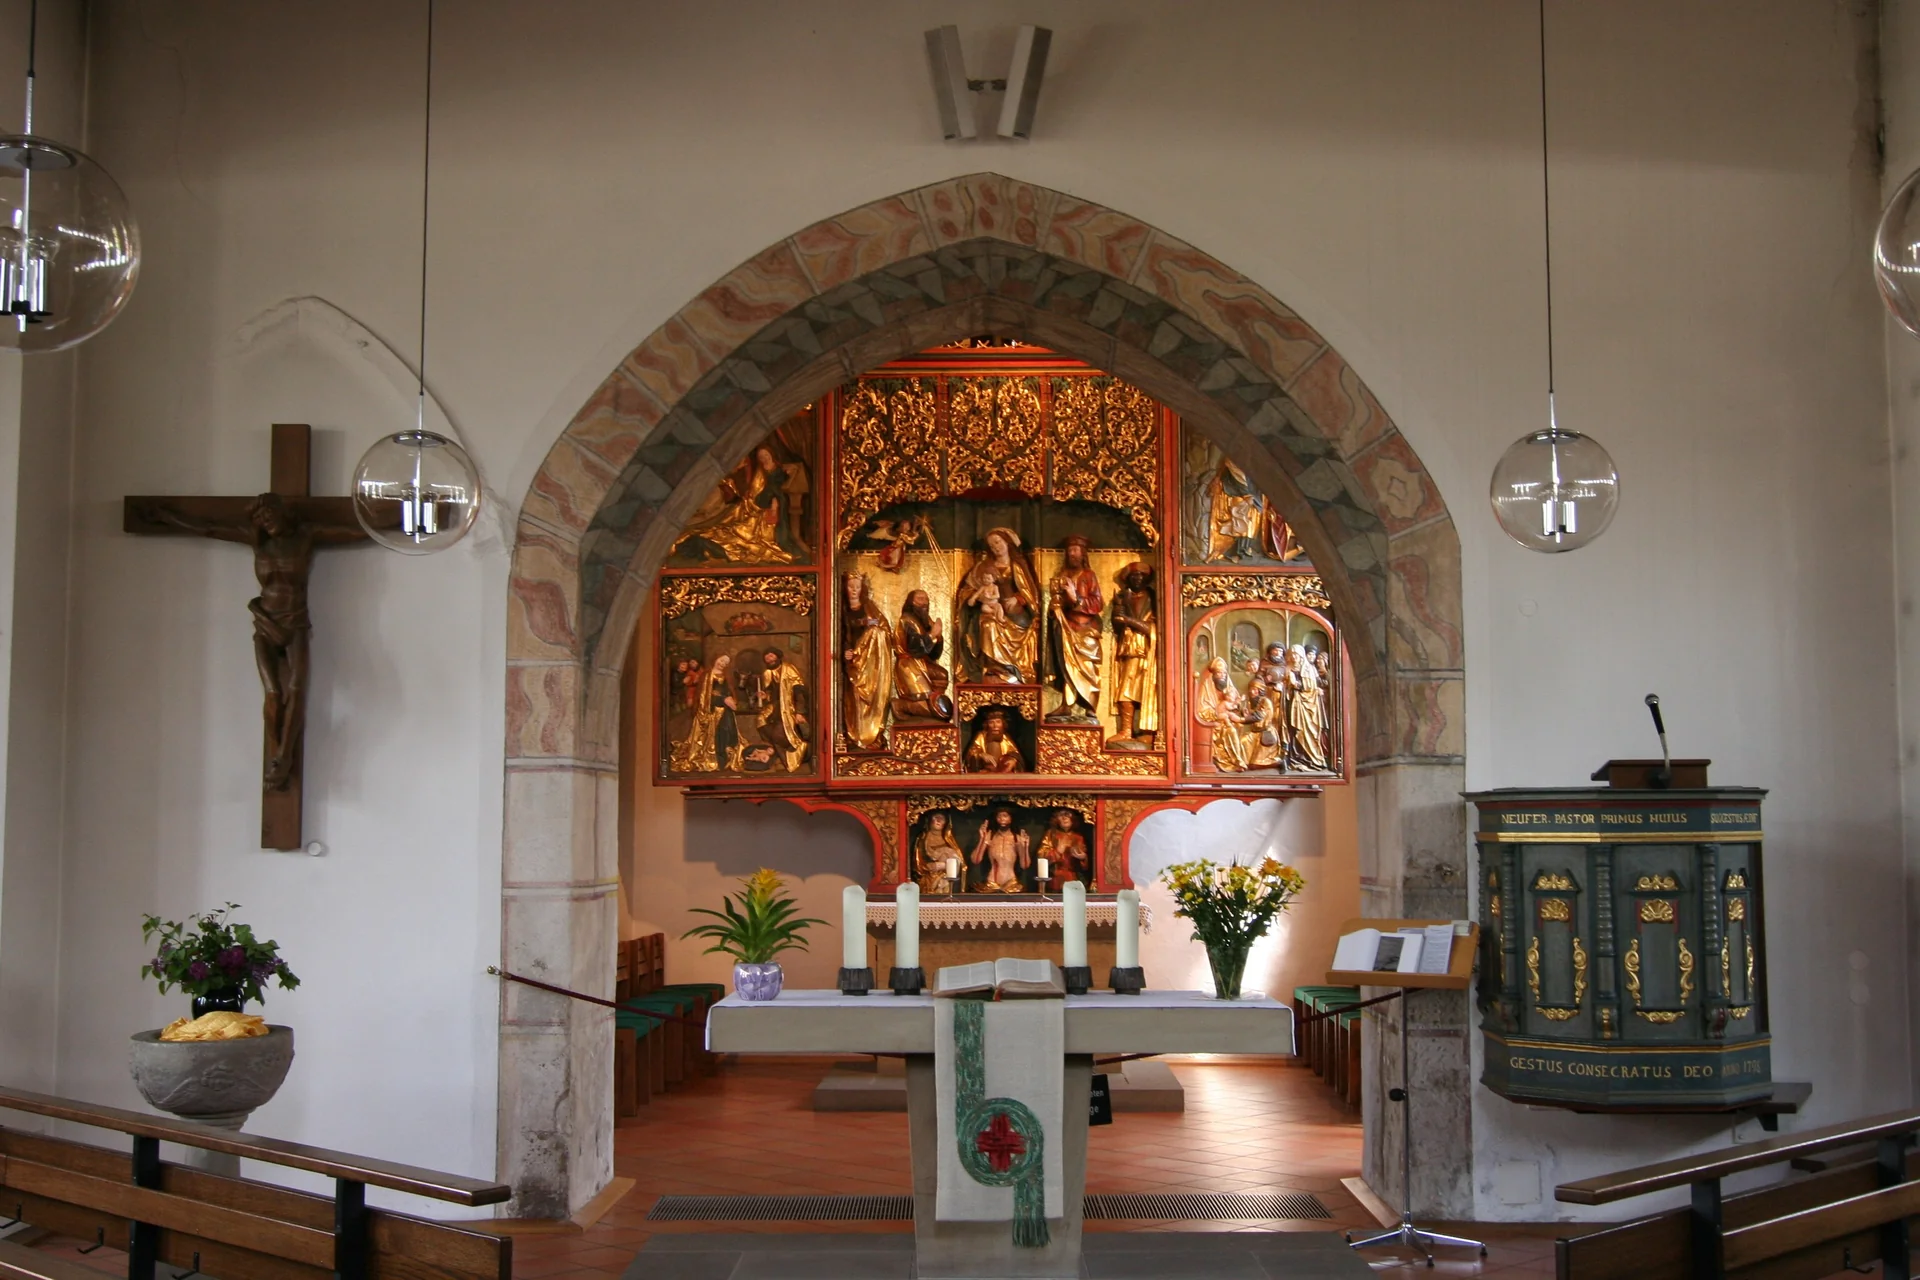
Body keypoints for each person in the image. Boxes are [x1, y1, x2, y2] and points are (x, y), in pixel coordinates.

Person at [672, 446, 797, 564]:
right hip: (749, 508)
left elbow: (774, 491)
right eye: (761, 456)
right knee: (724, 525)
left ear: (771, 455)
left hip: (759, 514)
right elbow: (754, 491)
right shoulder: (760, 471)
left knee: (734, 533)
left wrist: (771, 503)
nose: (764, 458)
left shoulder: (778, 472)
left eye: (766, 455)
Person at [956, 527, 1040, 683]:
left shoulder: (1018, 566)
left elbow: (1029, 592)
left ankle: (1015, 670)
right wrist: (981, 598)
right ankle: (993, 668)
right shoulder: (983, 567)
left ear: (1007, 542)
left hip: (1015, 611)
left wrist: (1018, 599)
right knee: (988, 626)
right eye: (992, 545)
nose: (996, 547)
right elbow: (967, 590)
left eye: (998, 542)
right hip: (989, 610)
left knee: (1025, 626)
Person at [1046, 534, 1104, 723]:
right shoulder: (1062, 576)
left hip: (1085, 629)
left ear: (1083, 554)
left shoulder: (1088, 576)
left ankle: (1090, 706)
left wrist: (1075, 596)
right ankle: (1066, 704)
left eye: (1076, 550)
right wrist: (1054, 606)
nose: (1072, 554)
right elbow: (1058, 603)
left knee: (1086, 667)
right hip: (1066, 627)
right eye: (1069, 550)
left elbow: (1097, 603)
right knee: (1067, 668)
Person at [1108, 562, 1159, 750]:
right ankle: (1126, 730)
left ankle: (1147, 732)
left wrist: (1130, 621)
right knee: (1125, 690)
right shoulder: (1124, 596)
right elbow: (1117, 626)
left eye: (1140, 575)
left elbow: (1156, 627)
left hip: (1147, 651)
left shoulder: (1153, 598)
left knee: (1148, 690)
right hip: (1128, 649)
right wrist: (1118, 611)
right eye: (1133, 575)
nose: (1137, 578)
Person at [840, 573, 892, 750]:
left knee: (876, 632)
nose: (854, 590)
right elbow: (837, 633)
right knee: (854, 697)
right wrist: (845, 652)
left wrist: (870, 627)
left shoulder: (869, 607)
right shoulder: (840, 609)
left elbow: (884, 629)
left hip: (870, 663)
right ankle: (855, 737)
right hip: (852, 664)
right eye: (850, 586)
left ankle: (873, 736)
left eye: (857, 587)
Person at [669, 653, 739, 773]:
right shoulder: (707, 675)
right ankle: (717, 760)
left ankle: (725, 760)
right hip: (710, 712)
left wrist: (730, 699)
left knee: (727, 732)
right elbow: (704, 695)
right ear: (715, 659)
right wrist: (722, 699)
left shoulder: (726, 676)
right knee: (716, 734)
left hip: (725, 711)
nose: (722, 664)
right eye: (721, 661)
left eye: (725, 663)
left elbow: (730, 690)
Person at [891, 589, 953, 722]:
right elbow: (915, 648)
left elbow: (934, 654)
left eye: (926, 599)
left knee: (942, 674)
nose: (924, 603)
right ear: (911, 602)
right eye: (920, 599)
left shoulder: (926, 621)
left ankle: (934, 701)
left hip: (922, 663)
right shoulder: (907, 620)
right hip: (909, 665)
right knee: (940, 712)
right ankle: (901, 705)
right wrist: (932, 635)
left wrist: (939, 637)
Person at [1195, 656, 1253, 772]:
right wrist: (1217, 715)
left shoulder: (1229, 687)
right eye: (1218, 673)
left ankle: (1239, 759)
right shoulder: (1207, 688)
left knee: (1237, 727)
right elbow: (1202, 710)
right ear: (1213, 675)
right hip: (1214, 723)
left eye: (1223, 673)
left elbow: (1237, 704)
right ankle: (1236, 761)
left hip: (1229, 720)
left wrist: (1242, 708)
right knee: (1229, 731)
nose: (1222, 676)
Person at [757, 648, 810, 773]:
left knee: (778, 735)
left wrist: (800, 712)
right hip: (776, 708)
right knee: (761, 722)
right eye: (767, 657)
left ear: (777, 657)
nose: (769, 658)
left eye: (771, 655)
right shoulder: (768, 673)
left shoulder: (789, 669)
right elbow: (773, 694)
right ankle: (779, 756)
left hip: (789, 708)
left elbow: (799, 692)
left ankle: (793, 756)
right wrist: (765, 696)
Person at [1284, 644, 1332, 771]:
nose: (1294, 657)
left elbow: (1310, 687)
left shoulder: (1309, 669)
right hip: (1293, 704)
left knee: (1309, 731)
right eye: (1292, 654)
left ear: (1301, 656)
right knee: (1294, 731)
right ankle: (1296, 759)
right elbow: (1284, 689)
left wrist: (1296, 684)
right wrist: (1288, 684)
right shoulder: (1287, 669)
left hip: (1308, 705)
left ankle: (1312, 759)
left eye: (1296, 655)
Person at [970, 807, 1031, 894]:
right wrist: (982, 839)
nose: (1002, 819)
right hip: (992, 882)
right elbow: (975, 860)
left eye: (1005, 816)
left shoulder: (1016, 838)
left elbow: (1024, 865)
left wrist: (1025, 847)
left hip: (1011, 882)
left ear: (1011, 819)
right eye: (999, 816)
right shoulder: (990, 836)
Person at [1035, 809, 1091, 887]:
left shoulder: (1078, 838)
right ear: (1056, 819)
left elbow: (1085, 865)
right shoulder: (1051, 834)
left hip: (1073, 878)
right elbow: (1041, 857)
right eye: (1061, 815)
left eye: (1067, 815)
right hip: (1055, 878)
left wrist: (1083, 858)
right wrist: (1057, 851)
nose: (1065, 818)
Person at [913, 811, 965, 895]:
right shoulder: (922, 838)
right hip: (928, 876)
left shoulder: (948, 840)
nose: (938, 820)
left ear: (946, 823)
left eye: (942, 819)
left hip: (946, 877)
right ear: (929, 820)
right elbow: (918, 861)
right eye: (936, 817)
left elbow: (959, 862)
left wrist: (943, 865)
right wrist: (928, 867)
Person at [963, 708, 1027, 773]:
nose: (995, 726)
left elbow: (1015, 753)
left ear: (1003, 724)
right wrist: (981, 755)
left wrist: (1013, 760)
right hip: (985, 771)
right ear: (987, 725)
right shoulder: (981, 736)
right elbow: (971, 753)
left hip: (1003, 771)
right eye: (991, 722)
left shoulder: (1005, 737)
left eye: (998, 722)